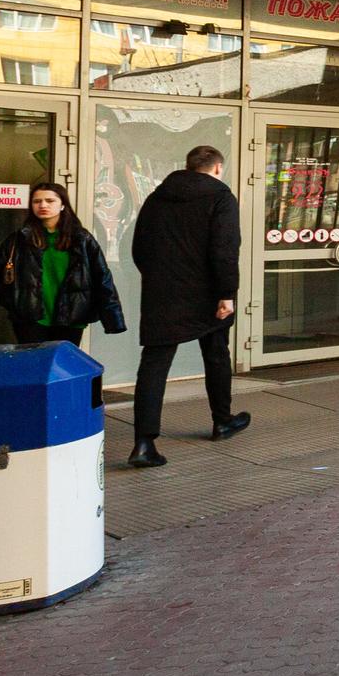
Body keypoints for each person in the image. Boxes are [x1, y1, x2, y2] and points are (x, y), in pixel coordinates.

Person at [128, 145, 247, 469]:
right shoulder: (221, 197)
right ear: (218, 168)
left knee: (153, 365)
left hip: (162, 295)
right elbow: (225, 249)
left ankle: (143, 442)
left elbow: (139, 246)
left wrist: (158, 278)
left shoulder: (157, 197)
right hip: (207, 295)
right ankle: (222, 421)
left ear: (188, 166)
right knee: (216, 354)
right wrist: (226, 293)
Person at [0, 182, 126, 347]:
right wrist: (15, 304)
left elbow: (102, 278)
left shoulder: (81, 239)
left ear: (63, 205)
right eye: (37, 201)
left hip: (71, 317)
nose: (43, 205)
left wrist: (114, 318)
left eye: (50, 201)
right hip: (30, 318)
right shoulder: (20, 239)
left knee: (61, 368)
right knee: (35, 367)